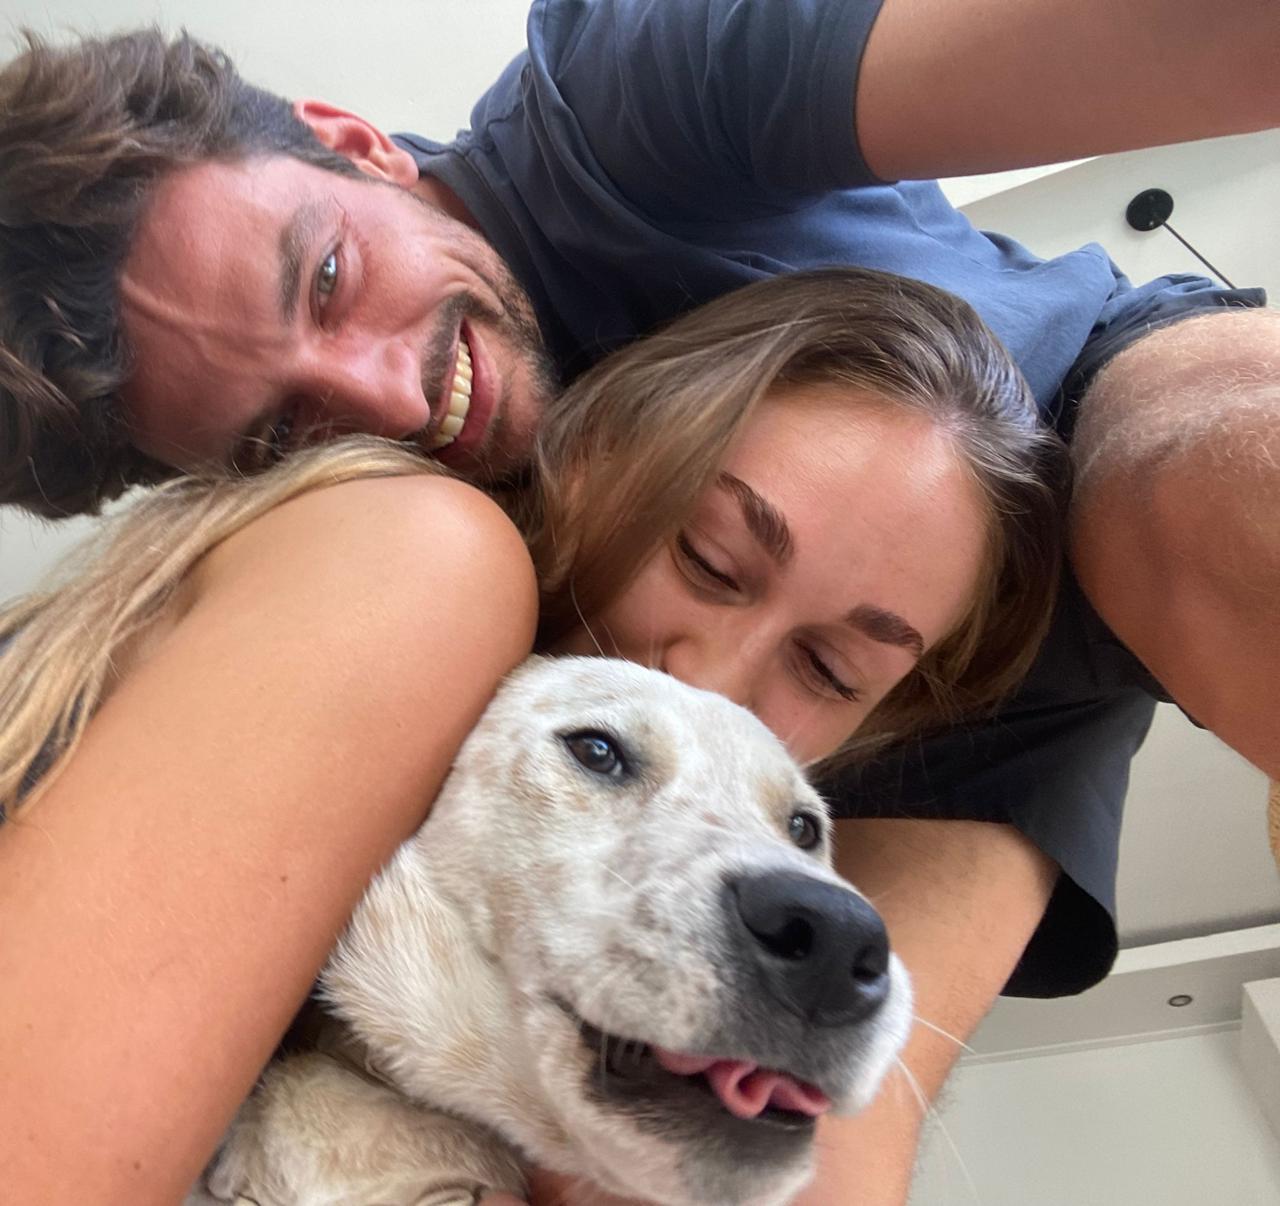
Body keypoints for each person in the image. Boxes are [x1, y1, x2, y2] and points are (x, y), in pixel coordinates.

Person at [0, 3, 1274, 1199]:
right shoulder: (406, 542)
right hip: (926, 696)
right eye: (281, 428)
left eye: (328, 276)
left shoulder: (617, 102)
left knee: (1215, 494)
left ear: (352, 144)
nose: (388, 398)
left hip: (1086, 404)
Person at [0, 267, 1066, 1202]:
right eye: (708, 562)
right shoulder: (409, 556)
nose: (714, 684)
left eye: (832, 671)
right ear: (592, 455)